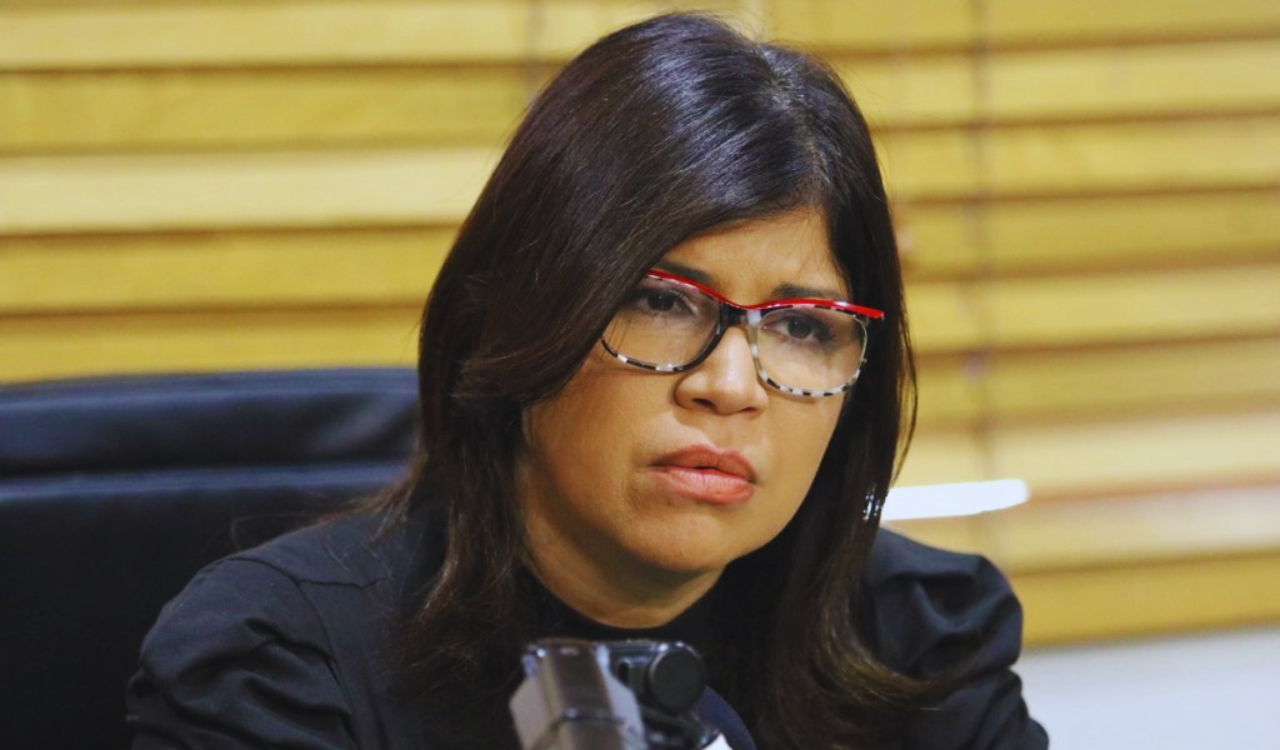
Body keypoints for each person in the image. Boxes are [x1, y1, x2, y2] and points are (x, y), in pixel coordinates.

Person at [127, 13, 1047, 750]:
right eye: (661, 300)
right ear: (515, 315)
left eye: (803, 326)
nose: (731, 385)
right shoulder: (280, 665)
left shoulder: (922, 639)